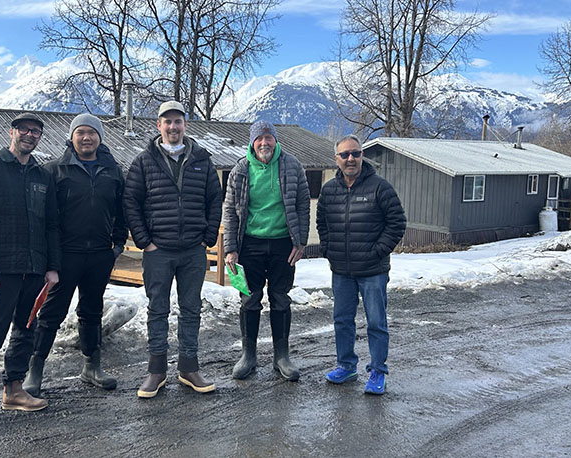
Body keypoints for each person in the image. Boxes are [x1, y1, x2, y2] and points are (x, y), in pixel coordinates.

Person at [0, 112, 61, 428]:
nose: (30, 135)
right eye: (24, 130)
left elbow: (52, 225)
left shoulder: (42, 175)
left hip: (34, 269)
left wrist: (52, 267)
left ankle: (14, 389)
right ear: (12, 132)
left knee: (26, 330)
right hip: (0, 272)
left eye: (36, 132)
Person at [123, 100, 223, 398]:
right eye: (167, 121)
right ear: (159, 126)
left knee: (191, 309)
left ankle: (189, 368)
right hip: (159, 251)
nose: (173, 127)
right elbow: (131, 203)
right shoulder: (144, 161)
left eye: (178, 121)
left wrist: (208, 237)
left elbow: (215, 200)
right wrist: (145, 241)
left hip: (193, 250)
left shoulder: (202, 160)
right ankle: (156, 371)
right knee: (158, 310)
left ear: (185, 125)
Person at [23, 113, 126, 396]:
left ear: (99, 138)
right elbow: (43, 217)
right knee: (51, 313)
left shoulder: (113, 171)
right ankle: (35, 369)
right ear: (72, 137)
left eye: (92, 132)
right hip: (64, 255)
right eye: (80, 132)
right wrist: (48, 256)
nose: (86, 137)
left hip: (100, 255)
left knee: (91, 311)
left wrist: (117, 246)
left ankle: (92, 366)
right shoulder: (54, 170)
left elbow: (122, 211)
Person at [316, 135, 406, 395]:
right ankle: (346, 366)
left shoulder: (380, 187)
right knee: (342, 320)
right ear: (336, 159)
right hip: (341, 270)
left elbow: (397, 223)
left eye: (355, 153)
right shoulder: (329, 191)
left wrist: (376, 252)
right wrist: (328, 249)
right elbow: (322, 222)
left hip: (372, 271)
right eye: (345, 154)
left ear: (362, 156)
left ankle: (377, 370)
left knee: (376, 322)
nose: (350, 159)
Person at [223, 120, 310, 381]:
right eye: (259, 139)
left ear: (275, 140)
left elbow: (303, 205)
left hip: (284, 243)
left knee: (280, 297)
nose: (264, 143)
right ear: (252, 142)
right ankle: (248, 355)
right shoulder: (240, 170)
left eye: (268, 138)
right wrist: (230, 248)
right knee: (250, 298)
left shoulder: (292, 166)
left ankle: (281, 356)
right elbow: (230, 211)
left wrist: (301, 242)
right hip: (250, 244)